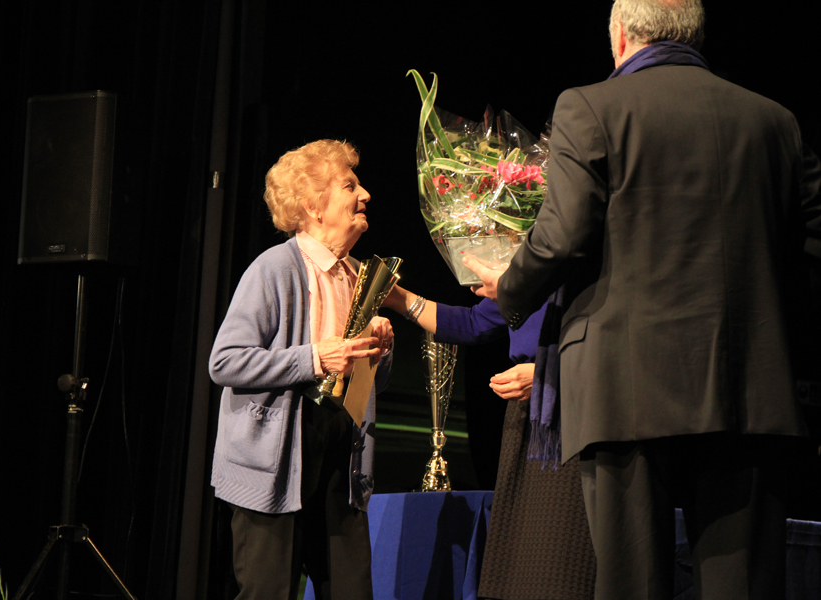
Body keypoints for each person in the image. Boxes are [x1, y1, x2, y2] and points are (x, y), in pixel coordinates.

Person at [463, 0, 821, 598]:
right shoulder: (774, 120)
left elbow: (561, 238)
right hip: (750, 385)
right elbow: (811, 247)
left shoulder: (590, 106)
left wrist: (511, 290)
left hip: (623, 384)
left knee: (631, 582)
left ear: (622, 38)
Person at [208, 139, 394, 600]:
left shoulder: (359, 276)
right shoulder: (274, 268)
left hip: (341, 454)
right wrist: (314, 358)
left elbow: (370, 387)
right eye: (350, 186)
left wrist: (379, 353)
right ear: (313, 207)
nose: (365, 194)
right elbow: (225, 361)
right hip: (277, 453)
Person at [383, 288, 597, 599]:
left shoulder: (580, 274)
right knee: (524, 560)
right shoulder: (529, 281)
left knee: (564, 558)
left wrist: (547, 373)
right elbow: (472, 323)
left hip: (575, 410)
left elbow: (620, 344)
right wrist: (396, 297)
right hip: (526, 418)